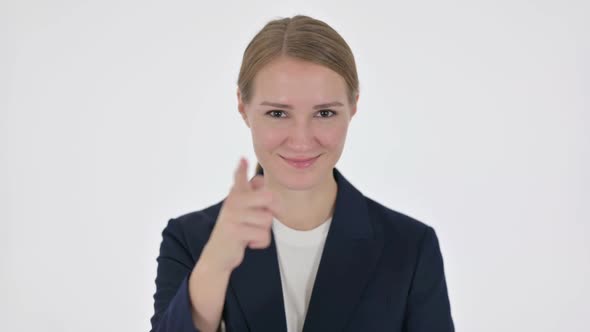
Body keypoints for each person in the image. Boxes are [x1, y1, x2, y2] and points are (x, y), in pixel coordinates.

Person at [150, 14, 455, 332]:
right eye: (277, 113)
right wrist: (214, 264)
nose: (301, 139)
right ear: (243, 107)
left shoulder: (410, 247)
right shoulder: (190, 241)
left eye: (325, 113)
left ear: (353, 106)